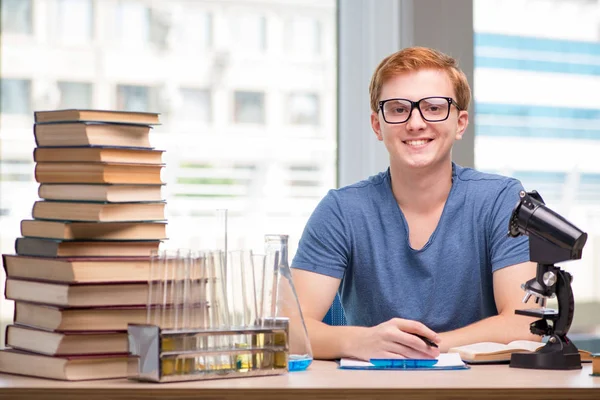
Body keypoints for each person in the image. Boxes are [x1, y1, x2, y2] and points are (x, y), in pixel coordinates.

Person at [290, 46, 541, 361]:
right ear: (377, 125)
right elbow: (291, 330)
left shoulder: (501, 201)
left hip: (479, 390)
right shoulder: (341, 211)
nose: (416, 122)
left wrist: (423, 347)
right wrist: (362, 342)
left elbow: (524, 324)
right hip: (375, 389)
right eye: (397, 109)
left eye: (434, 107)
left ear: (460, 123)